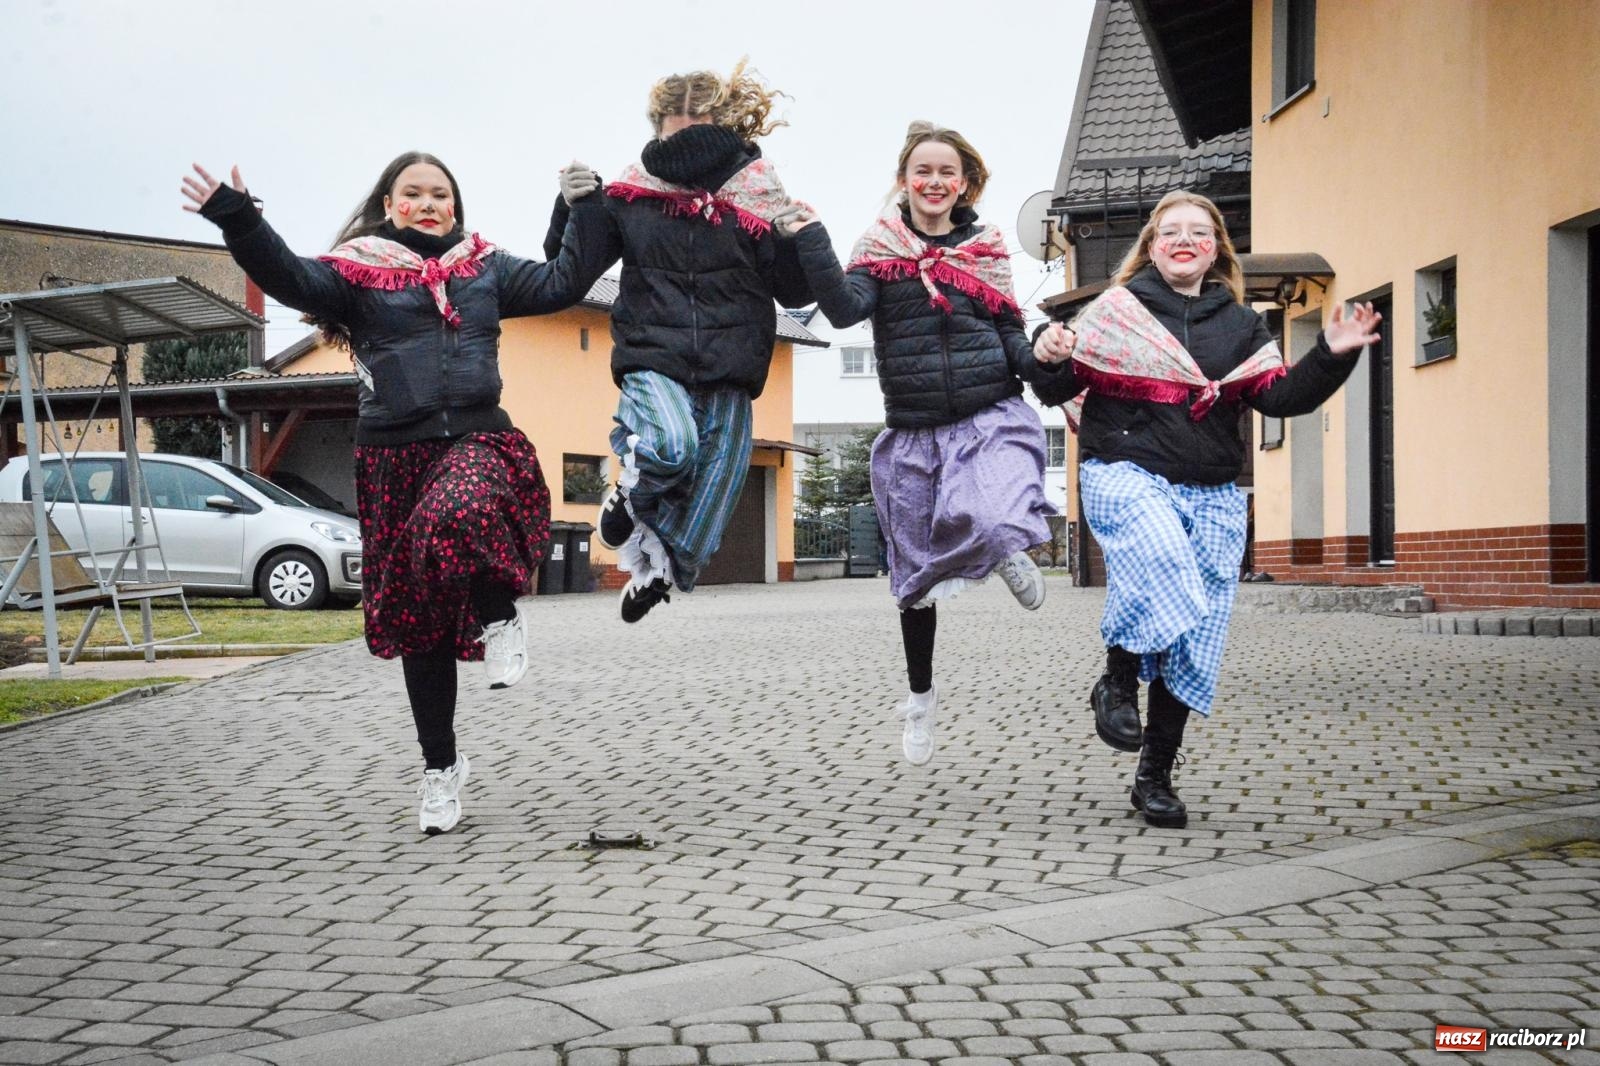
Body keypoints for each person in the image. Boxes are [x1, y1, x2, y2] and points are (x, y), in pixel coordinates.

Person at [182, 152, 608, 835]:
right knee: (420, 624)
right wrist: (237, 218)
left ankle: (499, 616)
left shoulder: (485, 268)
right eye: (414, 193)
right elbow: (288, 276)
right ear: (389, 204)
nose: (429, 203)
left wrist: (577, 208)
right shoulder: (357, 273)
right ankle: (441, 768)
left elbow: (563, 281)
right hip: (392, 460)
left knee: (461, 509)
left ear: (455, 206)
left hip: (475, 437)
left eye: (441, 194)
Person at [1031, 189, 1379, 827]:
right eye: (1171, 232)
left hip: (1211, 491)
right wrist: (1046, 353)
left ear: (1216, 248)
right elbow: (1057, 384)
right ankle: (1117, 677)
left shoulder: (1242, 325)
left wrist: (1332, 352)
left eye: (1198, 231)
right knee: (1161, 553)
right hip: (1126, 472)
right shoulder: (1117, 310)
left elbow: (1281, 399)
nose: (1184, 241)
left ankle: (1154, 776)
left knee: (1194, 638)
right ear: (1152, 246)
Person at [781, 121, 1063, 767]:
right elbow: (845, 309)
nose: (934, 182)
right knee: (913, 583)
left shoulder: (986, 250)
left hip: (986, 415)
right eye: (923, 171)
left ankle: (1004, 550)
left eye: (946, 173)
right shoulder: (880, 247)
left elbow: (1011, 339)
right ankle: (920, 699)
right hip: (913, 431)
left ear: (965, 184)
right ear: (904, 181)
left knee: (992, 512)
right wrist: (814, 238)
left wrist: (1044, 354)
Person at [545, 59, 812, 623]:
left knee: (711, 500)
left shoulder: (757, 192)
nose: (686, 139)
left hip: (731, 365)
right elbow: (570, 268)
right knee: (670, 445)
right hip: (653, 355)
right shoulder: (631, 193)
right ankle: (630, 491)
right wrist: (570, 207)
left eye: (700, 126)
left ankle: (656, 571)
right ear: (657, 129)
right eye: (674, 128)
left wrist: (796, 240)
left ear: (724, 125)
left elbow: (792, 289)